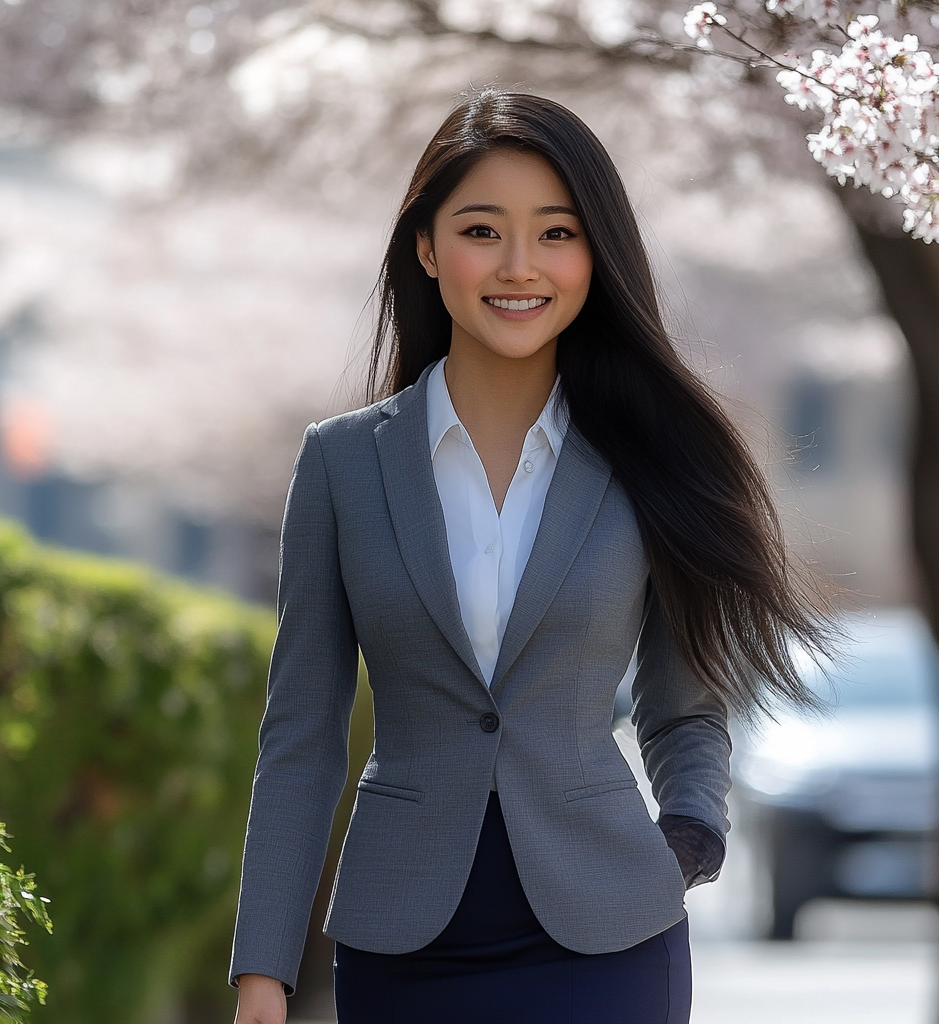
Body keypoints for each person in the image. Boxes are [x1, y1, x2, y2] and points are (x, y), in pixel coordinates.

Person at [230, 90, 831, 1024]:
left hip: (610, 932)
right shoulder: (342, 465)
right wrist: (263, 971)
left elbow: (685, 704)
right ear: (427, 250)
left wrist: (690, 836)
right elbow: (301, 736)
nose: (520, 267)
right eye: (482, 230)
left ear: (595, 257)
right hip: (404, 938)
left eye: (557, 233)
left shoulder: (647, 459)